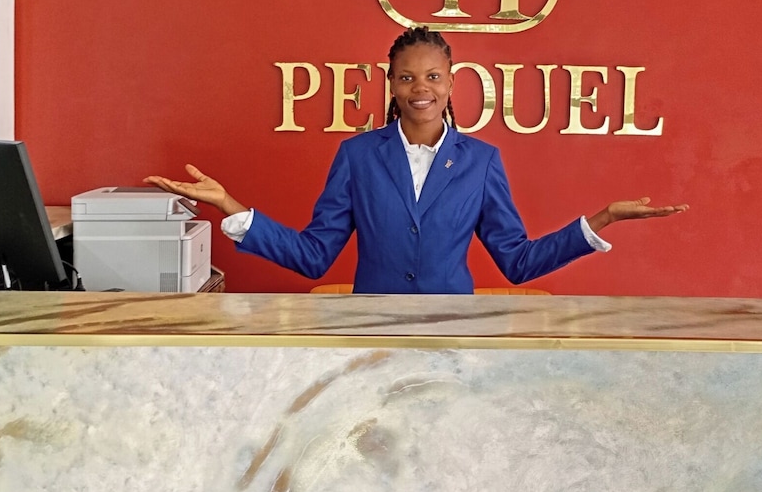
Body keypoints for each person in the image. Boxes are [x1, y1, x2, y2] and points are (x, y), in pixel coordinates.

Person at [145, 26, 688, 294]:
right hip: (371, 333)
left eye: (432, 76)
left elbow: (518, 263)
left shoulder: (481, 161)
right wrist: (230, 205)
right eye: (407, 77)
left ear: (451, 84)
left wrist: (602, 220)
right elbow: (313, 257)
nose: (420, 88)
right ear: (391, 84)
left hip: (452, 334)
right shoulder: (357, 156)